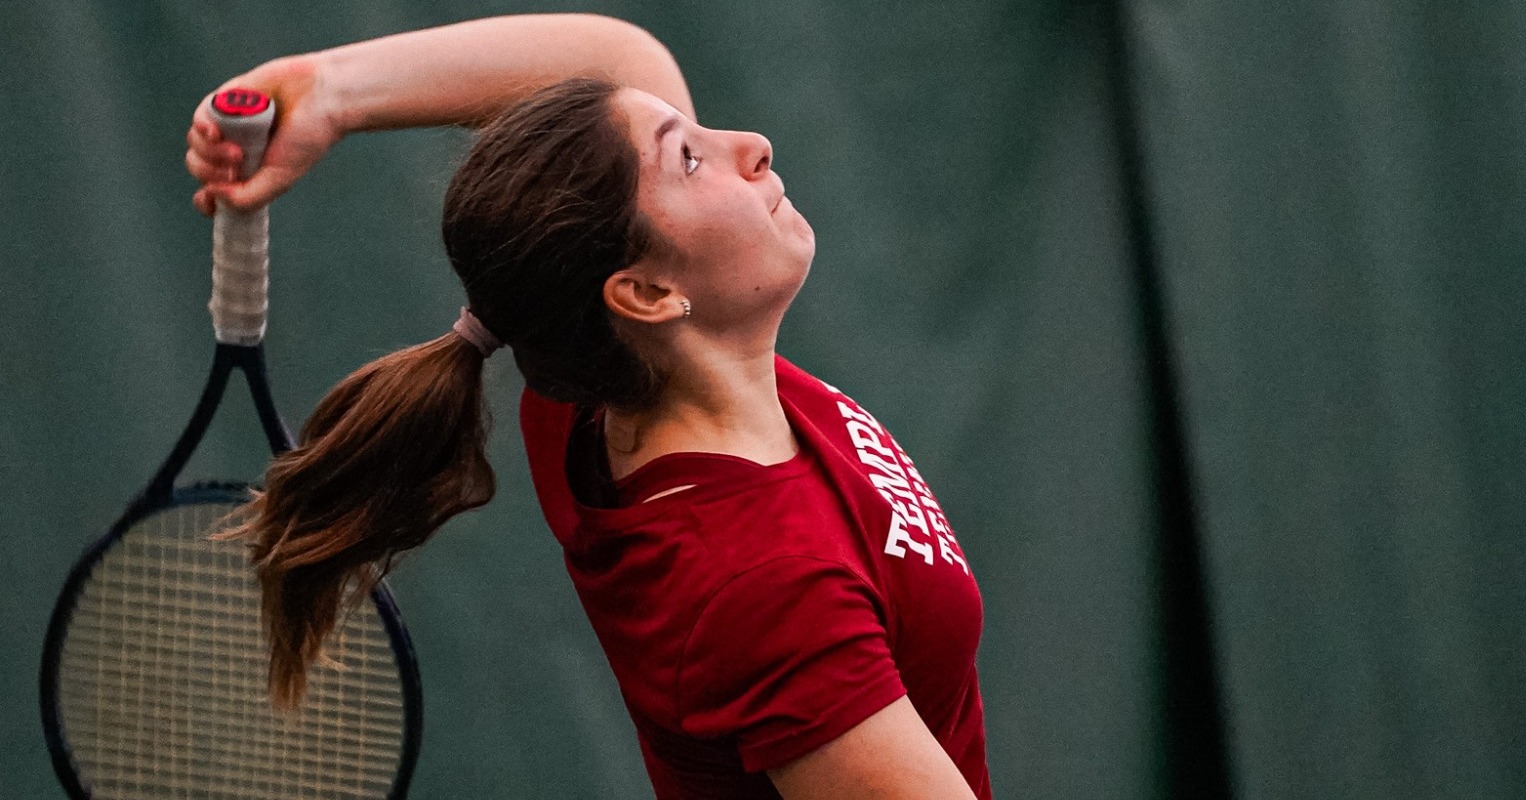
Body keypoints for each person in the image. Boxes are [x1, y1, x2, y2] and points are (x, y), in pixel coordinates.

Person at [186, 13, 988, 800]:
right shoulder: (767, 587)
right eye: (690, 159)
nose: (749, 146)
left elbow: (616, 56)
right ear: (644, 292)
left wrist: (331, 93)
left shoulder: (593, 399)